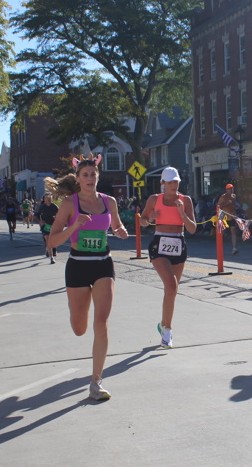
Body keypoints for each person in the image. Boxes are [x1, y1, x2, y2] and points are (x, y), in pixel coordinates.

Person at [45, 159, 128, 400]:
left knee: (101, 321)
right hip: (78, 265)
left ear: (98, 176)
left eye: (93, 174)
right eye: (85, 174)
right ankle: (75, 309)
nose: (90, 178)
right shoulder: (69, 204)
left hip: (103, 263)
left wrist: (120, 231)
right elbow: (52, 241)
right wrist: (74, 227)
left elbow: (116, 225)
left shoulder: (109, 202)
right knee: (79, 328)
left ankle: (96, 382)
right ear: (78, 178)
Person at [139, 167, 196, 348]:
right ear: (163, 183)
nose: (174, 185)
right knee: (171, 285)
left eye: (176, 181)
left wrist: (182, 213)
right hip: (160, 244)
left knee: (172, 290)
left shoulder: (185, 200)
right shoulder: (155, 199)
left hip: (179, 243)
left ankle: (163, 324)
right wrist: (150, 218)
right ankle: (168, 332)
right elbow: (142, 220)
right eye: (170, 182)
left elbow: (192, 228)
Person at [216, 183, 240, 254]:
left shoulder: (234, 196)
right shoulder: (223, 196)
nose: (231, 190)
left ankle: (234, 247)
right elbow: (218, 206)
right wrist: (227, 203)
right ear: (226, 190)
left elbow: (233, 204)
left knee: (233, 230)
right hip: (224, 217)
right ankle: (220, 247)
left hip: (232, 215)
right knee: (222, 232)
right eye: (229, 189)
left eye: (232, 188)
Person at [37, 193, 59, 263]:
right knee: (48, 240)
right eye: (47, 198)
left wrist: (57, 218)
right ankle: (51, 258)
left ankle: (48, 250)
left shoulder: (54, 206)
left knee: (52, 240)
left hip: (53, 225)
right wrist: (40, 221)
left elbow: (60, 214)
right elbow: (38, 214)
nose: (49, 199)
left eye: (50, 198)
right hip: (45, 225)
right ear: (44, 199)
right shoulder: (42, 207)